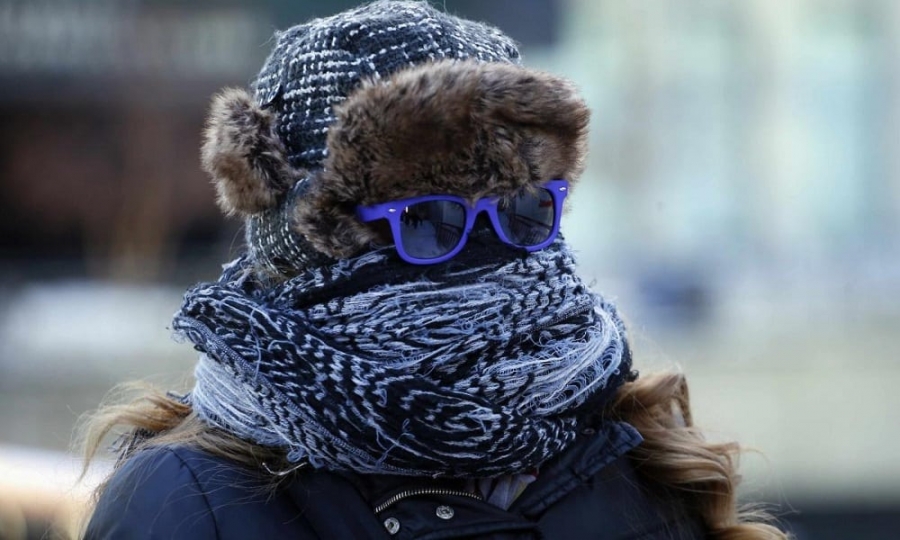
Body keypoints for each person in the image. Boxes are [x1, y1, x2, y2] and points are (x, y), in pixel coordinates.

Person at [79, 1, 788, 539]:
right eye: (429, 223)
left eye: (524, 215)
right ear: (302, 247)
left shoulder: (635, 460)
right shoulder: (188, 504)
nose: (495, 257)